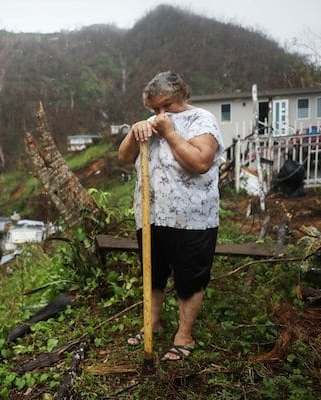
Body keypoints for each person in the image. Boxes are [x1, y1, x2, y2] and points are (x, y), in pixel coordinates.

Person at [118, 71, 224, 361]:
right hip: (151, 214)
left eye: (167, 106)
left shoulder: (201, 120)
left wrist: (169, 131)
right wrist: (134, 131)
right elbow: (125, 157)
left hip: (191, 217)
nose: (160, 114)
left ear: (182, 97)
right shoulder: (150, 123)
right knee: (153, 274)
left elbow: (201, 162)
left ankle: (184, 335)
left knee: (190, 277)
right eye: (154, 109)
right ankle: (152, 324)